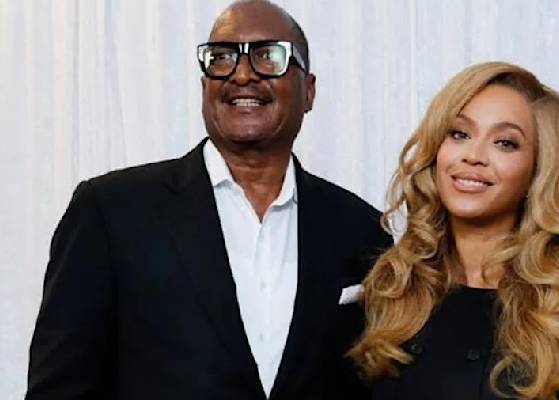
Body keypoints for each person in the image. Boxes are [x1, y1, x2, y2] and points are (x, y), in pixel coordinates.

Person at [26, 1, 391, 399]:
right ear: (205, 87)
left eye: (268, 56)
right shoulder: (110, 212)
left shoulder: (361, 231)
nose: (242, 74)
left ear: (309, 90)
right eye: (222, 58)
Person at [350, 62, 559, 399]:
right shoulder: (391, 289)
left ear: (540, 167)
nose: (473, 156)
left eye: (505, 143)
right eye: (459, 134)